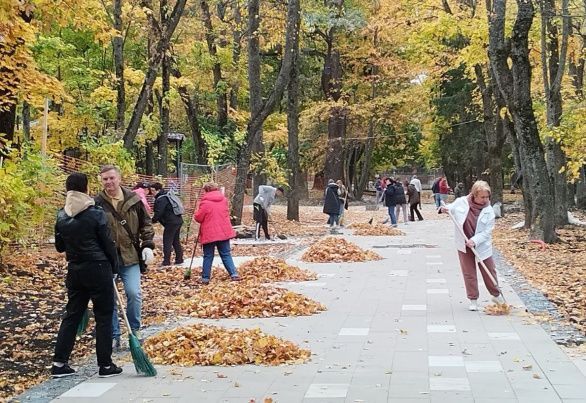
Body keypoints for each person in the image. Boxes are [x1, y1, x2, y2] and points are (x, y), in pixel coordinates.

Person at [52, 172, 123, 378]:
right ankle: (105, 364)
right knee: (103, 315)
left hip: (74, 269)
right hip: (98, 268)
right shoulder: (95, 213)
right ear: (85, 188)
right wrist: (114, 266)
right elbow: (107, 243)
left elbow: (59, 246)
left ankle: (59, 363)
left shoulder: (61, 215)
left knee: (72, 315)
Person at [95, 165, 155, 349]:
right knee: (109, 299)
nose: (109, 182)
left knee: (134, 293)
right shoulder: (96, 203)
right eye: (105, 179)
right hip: (106, 259)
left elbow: (146, 224)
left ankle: (134, 329)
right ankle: (114, 335)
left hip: (130, 256)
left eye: (111, 178)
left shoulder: (133, 200)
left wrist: (147, 245)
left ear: (119, 178)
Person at [440, 180, 504, 311]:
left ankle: (497, 295)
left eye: (487, 197)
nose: (485, 200)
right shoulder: (461, 202)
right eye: (482, 197)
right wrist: (445, 209)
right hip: (463, 244)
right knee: (469, 272)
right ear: (474, 194)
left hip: (481, 245)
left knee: (489, 270)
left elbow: (487, 232)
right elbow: (451, 208)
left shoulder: (489, 210)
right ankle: (473, 299)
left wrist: (474, 240)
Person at [194, 182, 241, 284]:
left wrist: (196, 213)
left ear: (206, 190)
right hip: (223, 232)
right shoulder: (224, 200)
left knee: (208, 255)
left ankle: (205, 278)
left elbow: (199, 218)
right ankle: (234, 274)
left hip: (209, 233)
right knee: (226, 254)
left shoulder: (205, 202)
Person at [151, 182, 184, 267]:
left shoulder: (161, 199)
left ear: (158, 190)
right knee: (175, 240)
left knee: (167, 241)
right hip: (178, 220)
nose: (152, 193)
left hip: (171, 222)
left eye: (153, 191)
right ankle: (179, 259)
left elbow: (159, 212)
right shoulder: (167, 196)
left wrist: (152, 220)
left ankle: (166, 261)